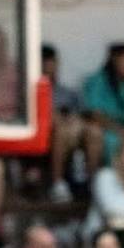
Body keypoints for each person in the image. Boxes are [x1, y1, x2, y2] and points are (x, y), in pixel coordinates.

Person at [41, 43, 97, 202]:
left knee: (93, 132)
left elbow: (85, 114)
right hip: (49, 135)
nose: (52, 67)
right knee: (60, 128)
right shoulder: (32, 91)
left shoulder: (67, 92)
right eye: (47, 63)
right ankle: (58, 184)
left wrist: (73, 119)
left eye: (54, 63)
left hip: (74, 132)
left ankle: (91, 183)